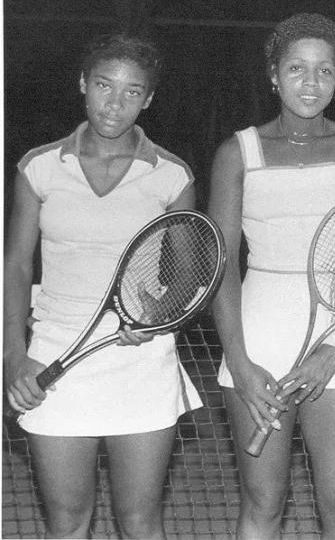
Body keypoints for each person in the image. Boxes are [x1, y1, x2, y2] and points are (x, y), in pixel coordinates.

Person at [4, 32, 201, 539]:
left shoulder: (172, 174)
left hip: (141, 359)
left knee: (139, 522)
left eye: (133, 91)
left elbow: (187, 273)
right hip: (53, 355)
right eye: (104, 86)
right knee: (67, 522)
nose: (115, 103)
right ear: (83, 85)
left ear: (149, 99)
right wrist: (13, 356)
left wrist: (157, 315)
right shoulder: (38, 166)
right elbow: (17, 267)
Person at [208, 13, 335, 540]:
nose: (311, 82)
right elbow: (222, 266)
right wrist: (239, 362)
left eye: (324, 71)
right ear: (273, 75)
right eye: (297, 68)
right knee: (263, 502)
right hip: (256, 338)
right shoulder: (235, 152)